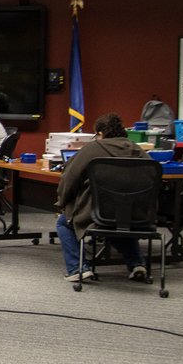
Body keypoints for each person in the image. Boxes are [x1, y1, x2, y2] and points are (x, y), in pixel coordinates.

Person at [54, 113, 150, 282]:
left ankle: (78, 268)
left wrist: (62, 202)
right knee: (118, 222)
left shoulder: (92, 149)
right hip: (137, 213)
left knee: (64, 222)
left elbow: (69, 179)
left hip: (98, 213)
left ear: (100, 134)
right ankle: (136, 264)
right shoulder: (136, 149)